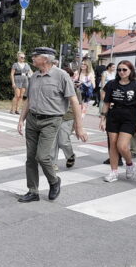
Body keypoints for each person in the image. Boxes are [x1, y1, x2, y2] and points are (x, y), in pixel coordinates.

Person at [17, 47, 87, 203]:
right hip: (33, 120)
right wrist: (21, 119)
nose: (32, 58)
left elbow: (74, 102)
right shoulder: (34, 76)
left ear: (45, 59)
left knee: (42, 156)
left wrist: (79, 126)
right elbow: (29, 100)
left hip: (51, 120)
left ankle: (54, 181)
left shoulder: (61, 76)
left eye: (35, 56)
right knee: (30, 158)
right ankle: (33, 191)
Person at [99, 60, 136, 182]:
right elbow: (106, 103)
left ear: (131, 71)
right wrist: (103, 119)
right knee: (113, 146)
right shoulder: (111, 84)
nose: (121, 72)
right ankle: (113, 172)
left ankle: (130, 164)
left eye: (124, 69)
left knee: (122, 146)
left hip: (130, 118)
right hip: (113, 117)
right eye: (119, 69)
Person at [53, 68, 80, 170]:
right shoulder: (54, 86)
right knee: (53, 141)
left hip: (68, 117)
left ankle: (70, 155)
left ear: (71, 76)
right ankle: (53, 163)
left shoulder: (75, 89)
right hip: (54, 117)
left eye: (67, 75)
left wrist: (77, 124)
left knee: (63, 141)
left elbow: (78, 106)